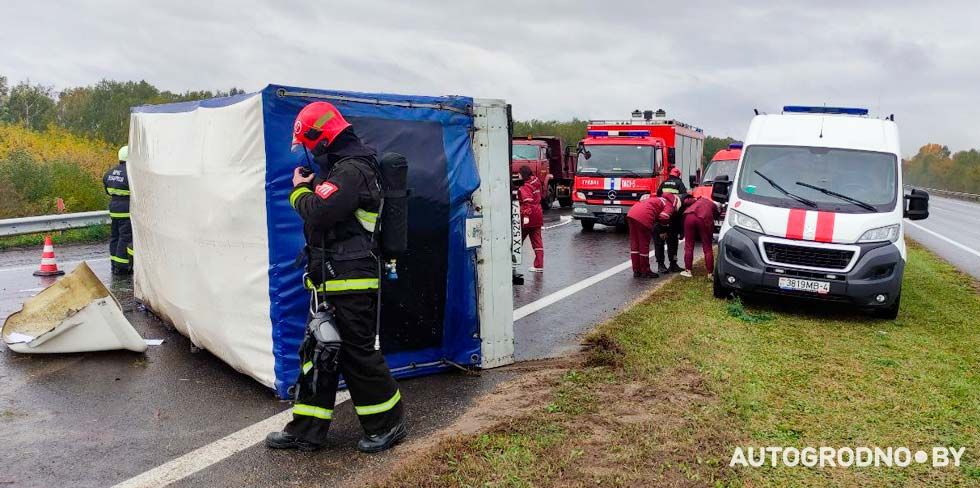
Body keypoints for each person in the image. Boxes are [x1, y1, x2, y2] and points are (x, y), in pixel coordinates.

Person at [266, 101, 405, 453]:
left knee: (358, 355)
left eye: (310, 145)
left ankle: (388, 425)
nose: (310, 153)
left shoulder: (352, 170)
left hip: (352, 281)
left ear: (323, 137)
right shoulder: (341, 170)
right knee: (318, 353)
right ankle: (306, 431)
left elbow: (320, 212)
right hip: (329, 280)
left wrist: (299, 191)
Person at [626, 193, 677, 278]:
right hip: (644, 217)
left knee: (635, 244)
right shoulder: (669, 205)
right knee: (643, 245)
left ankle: (636, 270)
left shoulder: (656, 199)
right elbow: (664, 216)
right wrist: (663, 230)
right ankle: (645, 271)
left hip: (631, 213)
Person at [103, 145, 133, 275]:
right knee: (125, 237)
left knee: (115, 236)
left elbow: (107, 190)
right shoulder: (131, 174)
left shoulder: (109, 173)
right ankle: (121, 267)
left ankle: (114, 264)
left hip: (114, 209)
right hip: (126, 209)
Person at [653, 167, 688, 273]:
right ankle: (673, 264)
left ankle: (661, 265)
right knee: (673, 242)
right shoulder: (680, 184)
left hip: (661, 215)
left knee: (659, 242)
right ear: (678, 175)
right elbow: (683, 199)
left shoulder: (664, 183)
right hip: (674, 217)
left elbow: (658, 195)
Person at [680, 195, 721, 277]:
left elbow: (686, 202)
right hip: (704, 219)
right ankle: (710, 273)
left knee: (689, 245)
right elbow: (716, 217)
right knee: (707, 246)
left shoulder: (699, 199)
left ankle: (688, 270)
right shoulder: (713, 206)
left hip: (689, 217)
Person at [518, 165, 544, 272]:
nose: (518, 175)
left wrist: (526, 216)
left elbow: (527, 202)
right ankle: (539, 265)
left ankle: (511, 261)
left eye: (519, 173)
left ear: (523, 174)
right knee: (537, 241)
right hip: (538, 213)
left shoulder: (525, 186)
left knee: (517, 240)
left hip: (529, 217)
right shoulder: (536, 183)